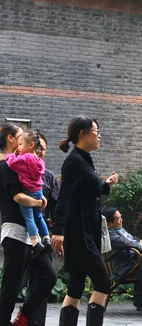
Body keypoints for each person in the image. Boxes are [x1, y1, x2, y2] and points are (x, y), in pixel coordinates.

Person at [50, 116, 119, 326]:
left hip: (87, 227)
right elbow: (64, 198)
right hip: (78, 230)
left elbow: (88, 191)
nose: (99, 136)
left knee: (76, 285)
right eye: (96, 131)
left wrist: (105, 185)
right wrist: (58, 230)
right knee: (103, 282)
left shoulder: (85, 159)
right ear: (83, 134)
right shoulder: (74, 162)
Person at [0, 124, 57, 326]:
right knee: (11, 286)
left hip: (32, 236)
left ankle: (23, 315)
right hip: (16, 232)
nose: (22, 139)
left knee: (49, 276)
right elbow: (18, 197)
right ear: (10, 139)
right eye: (19, 136)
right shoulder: (6, 166)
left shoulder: (22, 163)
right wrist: (39, 202)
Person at [101, 206, 142, 315]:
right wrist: (140, 247)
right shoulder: (110, 234)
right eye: (118, 219)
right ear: (109, 224)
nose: (121, 220)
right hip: (129, 264)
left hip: (137, 259)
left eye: (120, 217)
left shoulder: (119, 229)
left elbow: (133, 239)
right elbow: (126, 242)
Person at [5, 130, 51, 258]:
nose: (18, 147)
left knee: (29, 217)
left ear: (30, 145)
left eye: (20, 144)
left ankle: (36, 242)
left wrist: (11, 156)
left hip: (28, 190)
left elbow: (12, 164)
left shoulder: (24, 158)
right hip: (38, 190)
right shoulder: (38, 160)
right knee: (39, 216)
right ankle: (46, 238)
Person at [37, 132, 60, 227]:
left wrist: (58, 232)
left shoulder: (49, 176)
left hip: (41, 229)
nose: (38, 151)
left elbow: (56, 206)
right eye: (36, 147)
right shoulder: (14, 170)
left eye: (42, 148)